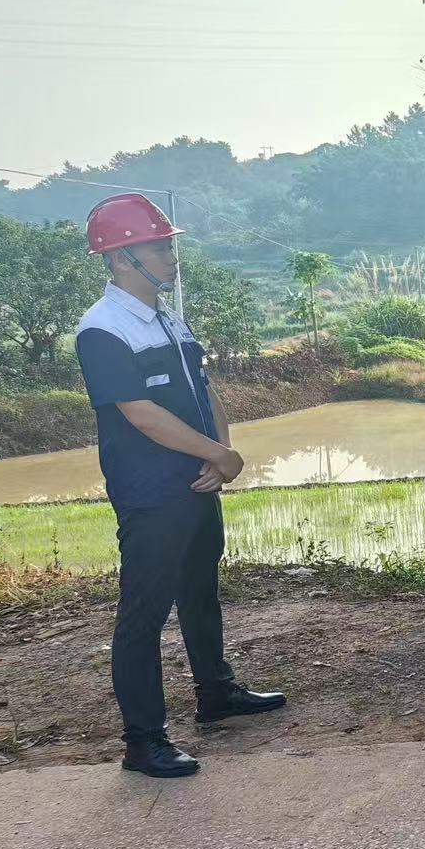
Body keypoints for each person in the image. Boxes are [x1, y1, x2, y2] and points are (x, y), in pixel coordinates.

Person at [75, 194, 285, 778]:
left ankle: (216, 694)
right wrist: (218, 454)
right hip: (151, 494)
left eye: (170, 246)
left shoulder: (169, 317)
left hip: (197, 481)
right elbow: (140, 413)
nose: (171, 257)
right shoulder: (103, 329)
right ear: (122, 259)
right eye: (159, 248)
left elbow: (204, 389)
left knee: (199, 592)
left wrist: (220, 452)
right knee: (143, 614)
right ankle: (143, 741)